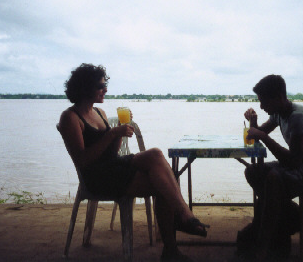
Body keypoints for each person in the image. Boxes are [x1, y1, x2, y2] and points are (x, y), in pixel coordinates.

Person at [58, 63, 208, 262]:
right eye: (101, 86)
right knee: (164, 184)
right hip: (97, 177)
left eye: (105, 85)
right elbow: (83, 160)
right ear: (86, 88)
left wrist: (120, 131)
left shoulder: (100, 113)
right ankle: (174, 242)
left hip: (114, 165)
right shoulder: (70, 117)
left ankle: (183, 216)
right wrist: (112, 133)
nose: (106, 90)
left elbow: (111, 151)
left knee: (155, 155)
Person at [240, 74, 303, 261]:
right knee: (253, 171)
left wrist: (263, 137)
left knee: (274, 178)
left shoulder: (297, 117)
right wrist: (253, 122)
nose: (261, 106)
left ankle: (263, 246)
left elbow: (293, 161)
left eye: (263, 102)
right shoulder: (278, 113)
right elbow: (260, 132)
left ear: (278, 97)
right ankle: (287, 218)